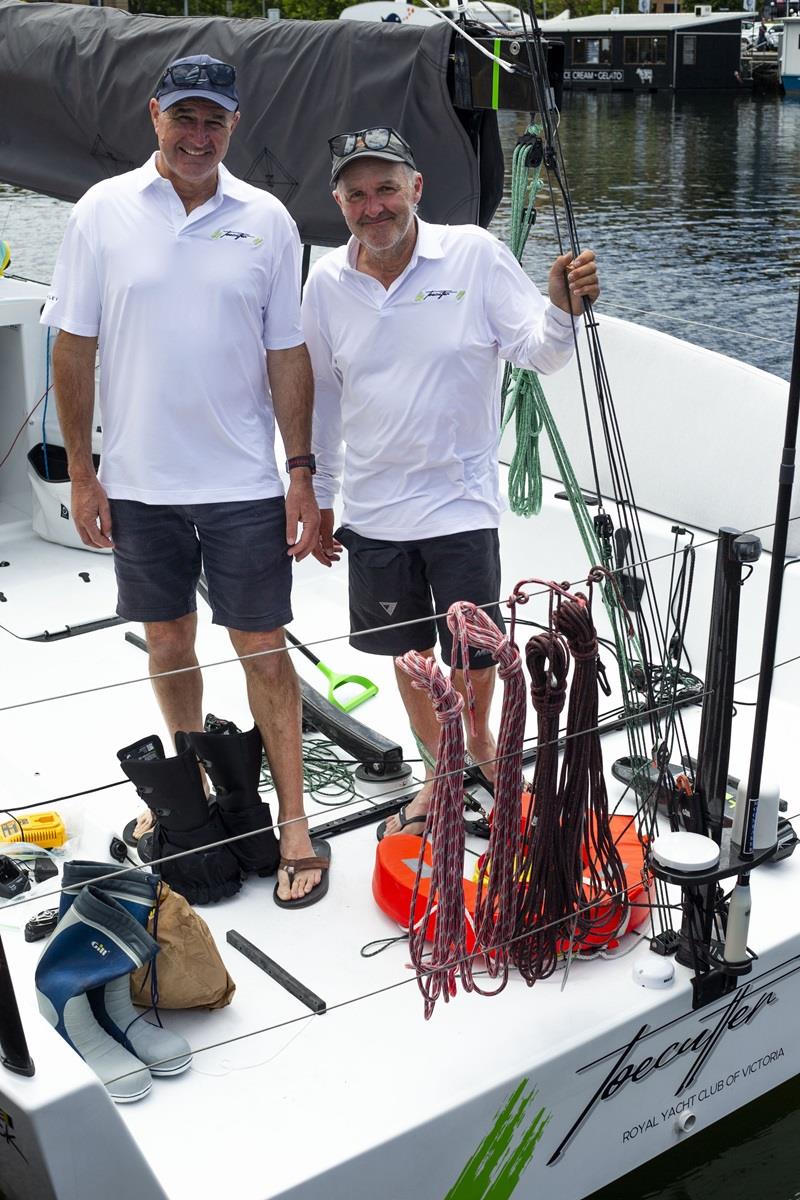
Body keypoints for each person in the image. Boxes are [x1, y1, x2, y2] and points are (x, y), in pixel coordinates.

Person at [42, 54, 328, 905]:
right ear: (155, 117)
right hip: (136, 482)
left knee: (263, 649)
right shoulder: (101, 212)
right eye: (185, 118)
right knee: (168, 642)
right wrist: (84, 473)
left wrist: (300, 474)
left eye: (216, 122)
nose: (199, 136)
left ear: (233, 127)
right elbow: (73, 345)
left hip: (243, 481)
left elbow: (288, 352)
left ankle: (294, 823)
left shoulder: (270, 220)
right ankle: (198, 790)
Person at [302, 127, 599, 837]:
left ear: (416, 189)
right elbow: (322, 395)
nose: (374, 207)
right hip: (373, 513)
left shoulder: (473, 253)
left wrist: (563, 307)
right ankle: (442, 774)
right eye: (357, 194)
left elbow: (540, 353)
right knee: (409, 660)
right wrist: (318, 499)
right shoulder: (325, 282)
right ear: (339, 202)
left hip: (460, 505)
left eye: (386, 189)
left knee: (471, 658)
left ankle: (485, 756)